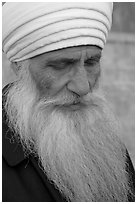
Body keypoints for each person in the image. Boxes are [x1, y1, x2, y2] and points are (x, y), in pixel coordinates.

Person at [2, 2, 135, 202]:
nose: (83, 87)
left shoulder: (100, 135)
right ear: (19, 69)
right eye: (60, 65)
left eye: (91, 62)